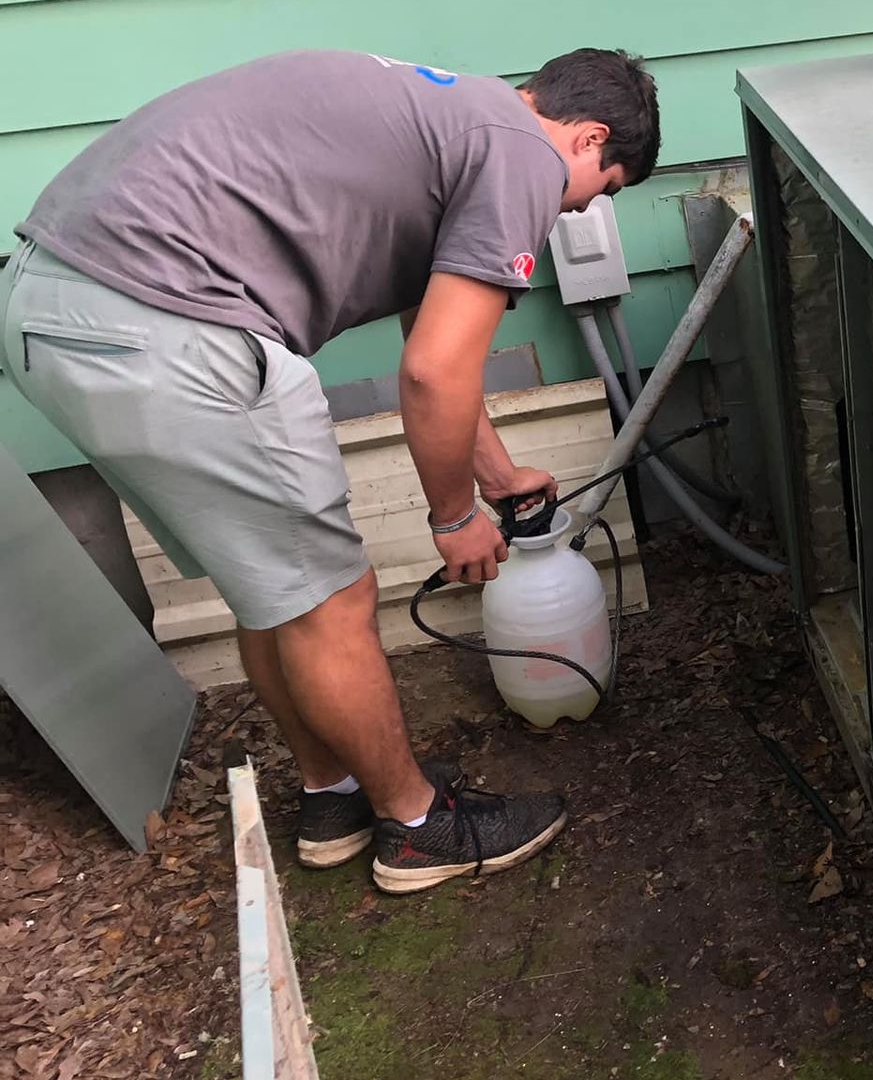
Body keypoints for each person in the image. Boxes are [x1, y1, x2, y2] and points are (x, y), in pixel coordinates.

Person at [0, 47, 660, 893]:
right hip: (166, 319)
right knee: (331, 598)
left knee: (272, 588)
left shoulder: (452, 117)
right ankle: (419, 828)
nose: (574, 214)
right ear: (587, 137)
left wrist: (492, 475)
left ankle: (333, 797)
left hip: (52, 304)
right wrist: (454, 517)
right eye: (597, 192)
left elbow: (440, 334)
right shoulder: (522, 154)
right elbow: (432, 371)